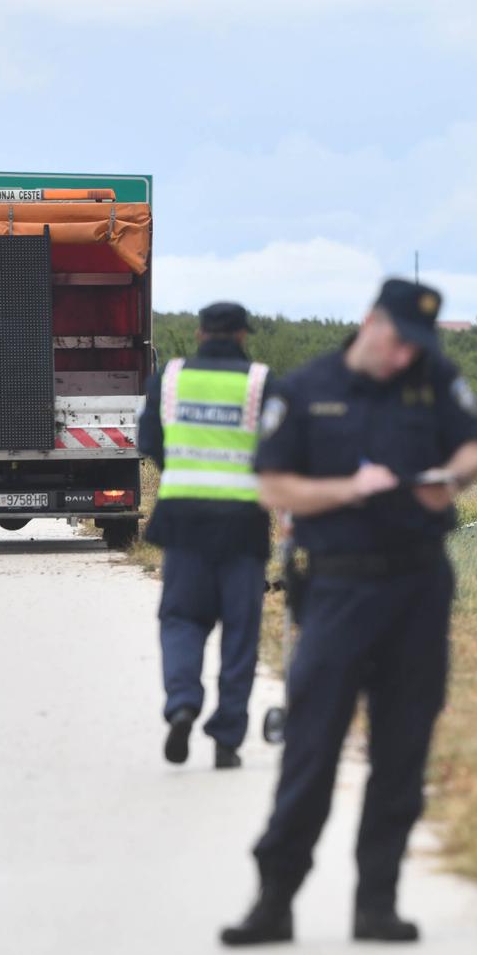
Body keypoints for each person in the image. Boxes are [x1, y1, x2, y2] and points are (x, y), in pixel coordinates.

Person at [221, 277, 477, 946]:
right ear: (370, 322)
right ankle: (274, 900)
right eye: (398, 341)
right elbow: (272, 486)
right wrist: (349, 489)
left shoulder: (433, 378)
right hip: (337, 591)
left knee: (403, 749)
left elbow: (475, 444)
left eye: (414, 347)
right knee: (311, 748)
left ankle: (378, 902)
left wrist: (452, 479)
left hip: (419, 587)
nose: (404, 357)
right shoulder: (307, 389)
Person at [137, 301, 279, 770]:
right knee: (240, 632)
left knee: (181, 619)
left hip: (184, 522)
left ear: (199, 334)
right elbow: (281, 451)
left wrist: (185, 476)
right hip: (243, 525)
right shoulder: (260, 383)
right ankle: (226, 739)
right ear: (242, 335)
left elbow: (150, 443)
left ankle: (182, 703)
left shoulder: (171, 379)